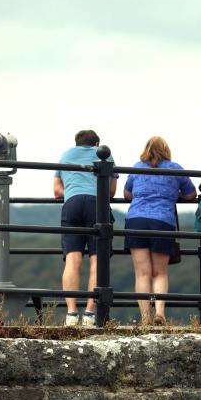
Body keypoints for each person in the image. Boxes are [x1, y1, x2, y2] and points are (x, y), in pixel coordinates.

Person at [123, 136, 196, 325]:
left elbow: (127, 194)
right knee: (160, 272)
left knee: (142, 273)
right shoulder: (175, 169)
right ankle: (160, 313)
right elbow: (191, 193)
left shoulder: (137, 167)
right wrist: (173, 193)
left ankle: (145, 318)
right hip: (163, 221)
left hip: (136, 221)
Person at [53, 129, 117, 327]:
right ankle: (90, 313)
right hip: (97, 205)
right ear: (97, 143)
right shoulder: (104, 154)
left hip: (71, 204)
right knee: (97, 261)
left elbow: (56, 191)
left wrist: (74, 191)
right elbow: (111, 192)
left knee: (73, 260)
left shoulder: (66, 155)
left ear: (76, 142)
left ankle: (71, 314)